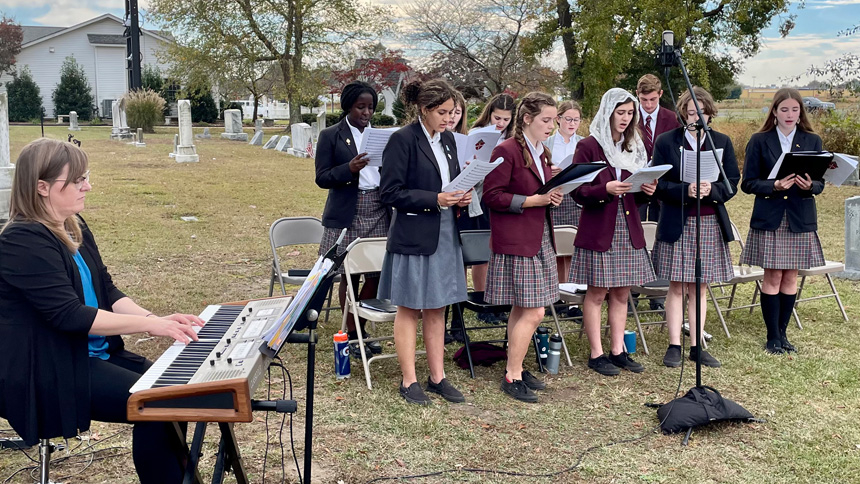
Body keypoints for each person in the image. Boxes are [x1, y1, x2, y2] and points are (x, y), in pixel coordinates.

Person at [0, 138, 203, 484]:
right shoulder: (22, 241)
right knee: (155, 404)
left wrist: (156, 319)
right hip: (53, 368)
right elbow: (71, 315)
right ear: (42, 187)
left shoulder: (73, 224)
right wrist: (149, 328)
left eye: (85, 177)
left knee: (174, 392)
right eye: (77, 180)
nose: (87, 186)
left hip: (91, 355)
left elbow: (106, 290)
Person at [378, 78, 472, 405]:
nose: (451, 119)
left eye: (454, 113)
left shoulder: (448, 141)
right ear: (424, 109)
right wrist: (436, 198)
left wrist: (460, 196)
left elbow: (451, 180)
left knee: (438, 305)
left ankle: (437, 377)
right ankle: (409, 380)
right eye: (443, 113)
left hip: (446, 230)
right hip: (414, 234)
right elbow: (390, 193)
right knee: (410, 307)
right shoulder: (402, 140)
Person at [569, 88, 658, 376]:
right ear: (608, 112)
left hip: (628, 226)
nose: (626, 118)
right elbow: (578, 191)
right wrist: (604, 190)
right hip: (600, 227)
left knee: (622, 293)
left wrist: (647, 191)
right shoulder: (589, 146)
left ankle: (618, 350)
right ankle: (596, 354)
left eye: (630, 113)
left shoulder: (634, 145)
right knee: (596, 293)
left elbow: (636, 193)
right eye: (621, 112)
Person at [650, 86, 740, 368]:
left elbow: (731, 183)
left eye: (700, 112)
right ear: (682, 113)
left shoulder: (721, 141)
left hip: (709, 220)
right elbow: (658, 185)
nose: (695, 117)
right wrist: (685, 190)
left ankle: (696, 345)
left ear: (709, 114)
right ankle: (674, 345)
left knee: (699, 286)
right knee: (676, 285)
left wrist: (710, 190)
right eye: (690, 112)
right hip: (678, 219)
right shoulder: (666, 141)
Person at [484, 92, 562, 402]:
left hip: (538, 235)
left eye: (554, 120)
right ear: (527, 119)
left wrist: (551, 195)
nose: (552, 126)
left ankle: (514, 366)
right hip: (517, 238)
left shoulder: (541, 151)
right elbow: (491, 195)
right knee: (535, 311)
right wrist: (533, 201)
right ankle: (512, 375)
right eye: (546, 120)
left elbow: (540, 191)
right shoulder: (507, 150)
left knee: (523, 307)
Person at [740, 87, 825, 354]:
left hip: (799, 216)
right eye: (784, 109)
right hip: (771, 215)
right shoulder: (759, 139)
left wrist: (811, 185)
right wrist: (773, 185)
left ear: (801, 113)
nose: (790, 114)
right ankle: (772, 336)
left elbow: (820, 183)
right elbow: (748, 183)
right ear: (774, 112)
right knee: (773, 275)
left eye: (795, 109)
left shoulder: (812, 141)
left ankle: (784, 334)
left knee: (790, 277)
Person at [315, 81, 391, 358]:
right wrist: (348, 168)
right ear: (348, 106)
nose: (367, 113)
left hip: (379, 206)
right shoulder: (331, 135)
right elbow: (322, 177)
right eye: (361, 107)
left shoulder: (382, 136)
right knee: (349, 271)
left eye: (371, 107)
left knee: (376, 270)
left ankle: (360, 327)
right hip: (348, 207)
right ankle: (349, 333)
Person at [460, 93, 517, 324]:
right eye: (496, 117)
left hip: (498, 197)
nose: (500, 123)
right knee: (470, 253)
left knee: (490, 253)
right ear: (488, 113)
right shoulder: (477, 134)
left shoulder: (512, 138)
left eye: (505, 119)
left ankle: (490, 300)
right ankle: (465, 303)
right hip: (475, 196)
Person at [543, 100, 584, 284]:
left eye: (576, 120)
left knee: (574, 247)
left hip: (576, 199)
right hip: (555, 198)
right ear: (558, 119)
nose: (572, 124)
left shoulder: (583, 143)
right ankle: (557, 292)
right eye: (568, 119)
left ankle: (573, 294)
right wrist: (551, 171)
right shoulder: (547, 142)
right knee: (557, 247)